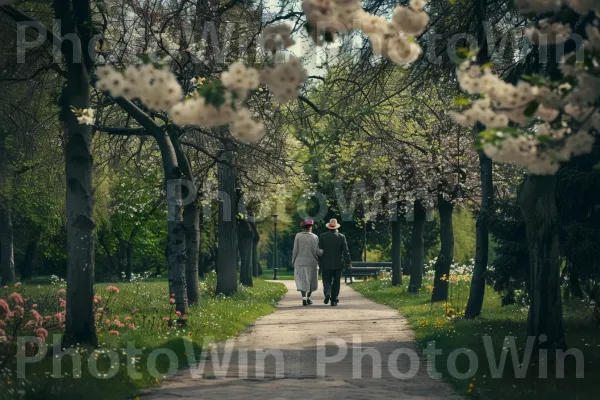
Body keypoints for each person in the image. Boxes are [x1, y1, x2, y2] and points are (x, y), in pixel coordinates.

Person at [319, 218, 352, 306]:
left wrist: (319, 262)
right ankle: (334, 300)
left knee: (326, 280)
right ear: (336, 227)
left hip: (326, 263)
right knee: (336, 282)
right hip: (338, 263)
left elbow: (320, 251)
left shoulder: (323, 236)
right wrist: (348, 262)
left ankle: (327, 293)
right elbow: (346, 251)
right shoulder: (342, 237)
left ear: (329, 227)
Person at [292, 219, 323, 306]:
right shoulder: (315, 237)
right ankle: (309, 297)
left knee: (302, 281)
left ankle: (304, 299)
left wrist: (293, 260)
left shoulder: (298, 236)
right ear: (310, 227)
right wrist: (323, 252)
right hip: (312, 263)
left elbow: (295, 250)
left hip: (300, 262)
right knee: (311, 282)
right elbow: (317, 251)